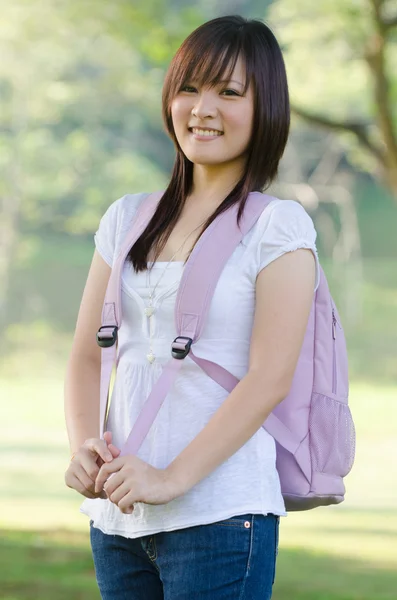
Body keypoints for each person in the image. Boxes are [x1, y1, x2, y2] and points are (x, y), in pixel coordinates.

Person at [64, 14, 319, 600]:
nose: (202, 108)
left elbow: (270, 376)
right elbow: (86, 353)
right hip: (119, 520)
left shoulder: (278, 227)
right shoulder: (126, 219)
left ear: (266, 110)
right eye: (189, 88)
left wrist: (171, 477)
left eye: (229, 93)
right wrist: (83, 444)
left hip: (222, 517)